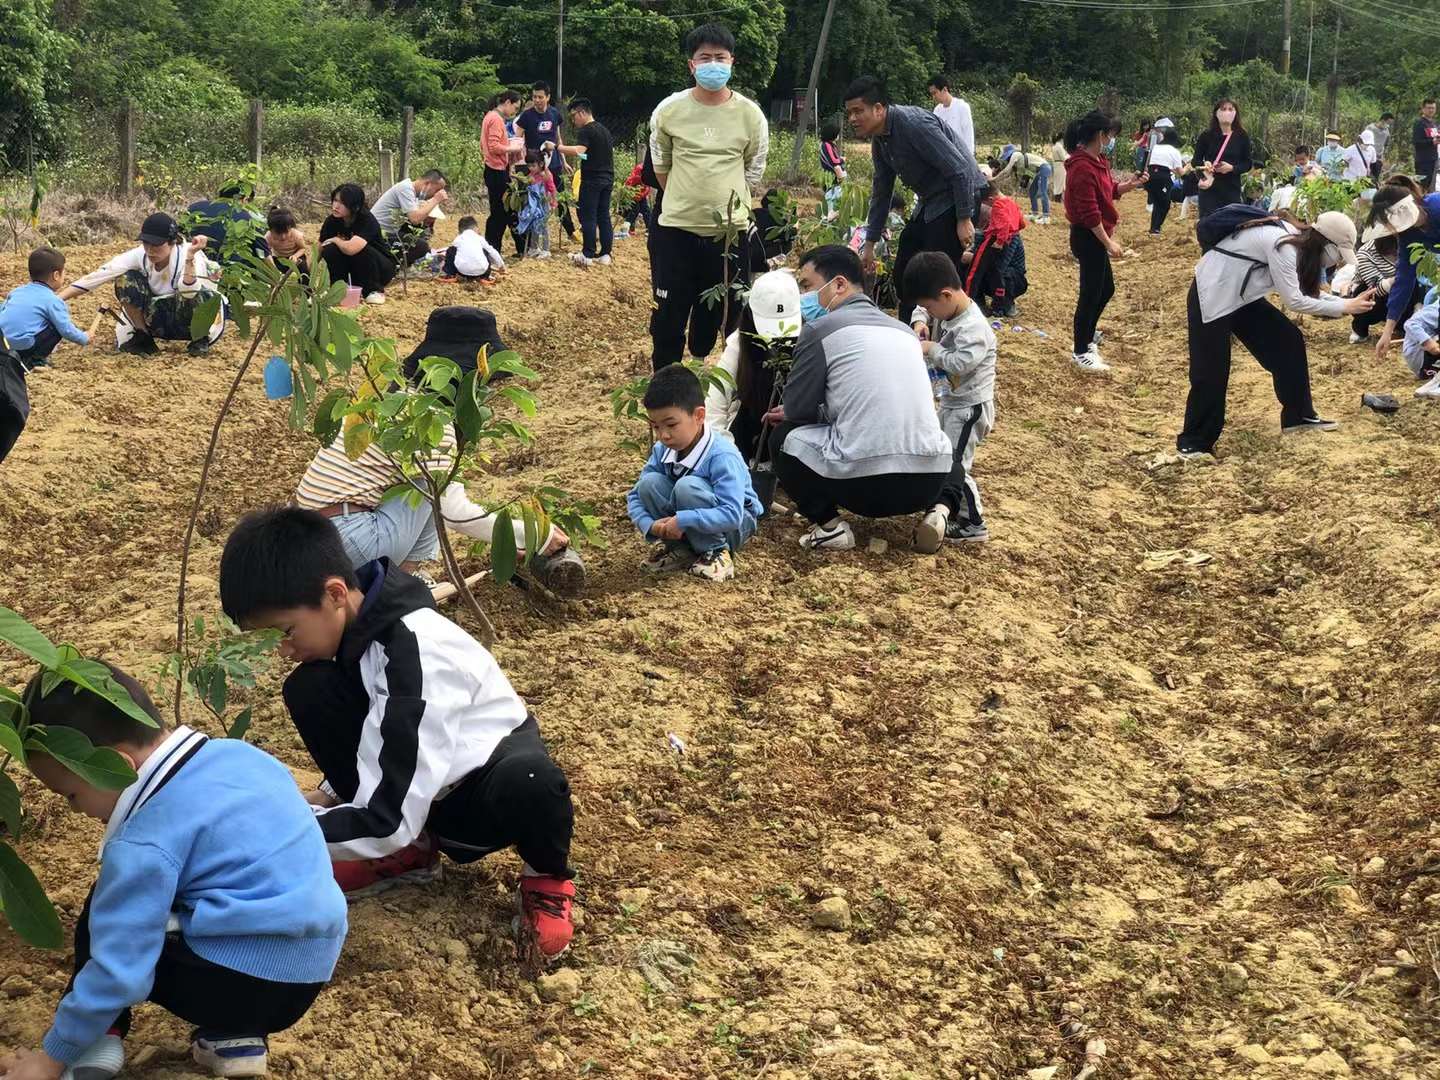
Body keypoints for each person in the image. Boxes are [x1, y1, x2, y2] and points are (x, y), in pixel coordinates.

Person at [218, 507, 578, 959]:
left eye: (285, 632)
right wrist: (332, 793)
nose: (284, 650)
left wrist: (263, 834)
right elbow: (380, 725)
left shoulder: (415, 650)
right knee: (310, 688)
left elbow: (386, 818)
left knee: (533, 780)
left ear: (333, 594)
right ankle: (411, 852)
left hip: (480, 792)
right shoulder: (361, 628)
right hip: (420, 792)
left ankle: (546, 876)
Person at [0, 665, 346, 1080]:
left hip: (231, 982)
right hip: (308, 970)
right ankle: (232, 1038)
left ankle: (94, 1038)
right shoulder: (243, 756)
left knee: (108, 914)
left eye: (72, 794)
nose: (77, 809)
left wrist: (49, 1059)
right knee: (202, 891)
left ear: (116, 764)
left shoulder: (143, 842)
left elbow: (119, 964)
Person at [761, 245, 952, 552]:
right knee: (940, 442)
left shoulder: (820, 330)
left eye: (808, 286)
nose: (805, 297)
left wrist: (806, 413)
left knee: (783, 438)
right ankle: (940, 511)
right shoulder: (904, 332)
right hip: (929, 480)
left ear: (839, 284)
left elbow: (798, 410)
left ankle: (830, 526)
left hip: (864, 487)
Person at [293, 416, 583, 597]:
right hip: (355, 543)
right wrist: (535, 535)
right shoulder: (433, 421)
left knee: (415, 479)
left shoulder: (384, 403)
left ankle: (399, 579)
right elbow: (454, 514)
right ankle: (403, 580)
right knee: (431, 484)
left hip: (313, 544)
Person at [1176, 211, 1371, 457]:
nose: (1336, 261)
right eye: (1338, 254)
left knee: (1287, 341)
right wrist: (1345, 307)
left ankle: (1298, 416)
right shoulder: (1283, 246)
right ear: (1327, 245)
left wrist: (1347, 302)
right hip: (1212, 295)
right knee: (1211, 370)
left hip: (1241, 296)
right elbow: (1295, 301)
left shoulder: (1293, 243)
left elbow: (1303, 291)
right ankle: (1193, 442)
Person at [647, 23, 769, 369]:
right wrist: (690, 200)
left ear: (732, 63)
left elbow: (753, 168)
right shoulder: (669, 111)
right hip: (675, 232)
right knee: (669, 318)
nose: (713, 64)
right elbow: (661, 165)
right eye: (705, 57)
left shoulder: (751, 115)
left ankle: (714, 375)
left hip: (728, 234)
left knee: (723, 315)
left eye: (720, 57)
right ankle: (667, 385)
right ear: (691, 64)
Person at [845, 75, 984, 326]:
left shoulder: (914, 124)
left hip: (958, 194)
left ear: (878, 109)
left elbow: (960, 170)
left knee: (937, 273)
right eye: (849, 113)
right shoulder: (881, 139)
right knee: (904, 272)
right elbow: (882, 191)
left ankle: (951, 335)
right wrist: (869, 244)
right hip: (930, 200)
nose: (852, 119)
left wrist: (963, 219)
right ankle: (909, 335)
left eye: (858, 111)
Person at [626, 364, 763, 582]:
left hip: (734, 525)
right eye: (656, 427)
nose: (664, 435)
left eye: (671, 425)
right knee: (649, 484)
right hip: (692, 519)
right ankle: (682, 549)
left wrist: (683, 519)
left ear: (699, 416)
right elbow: (634, 495)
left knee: (686, 487)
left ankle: (717, 552)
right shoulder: (663, 450)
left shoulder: (721, 455)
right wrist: (649, 525)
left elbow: (732, 514)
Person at [905, 252, 996, 545]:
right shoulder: (949, 308)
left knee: (957, 465)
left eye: (929, 307)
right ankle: (949, 506)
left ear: (945, 295)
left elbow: (960, 364)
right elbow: (925, 312)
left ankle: (973, 523)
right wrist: (920, 321)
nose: (928, 312)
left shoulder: (973, 328)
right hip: (952, 401)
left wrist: (932, 349)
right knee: (944, 455)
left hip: (969, 408)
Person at [59, 212, 223, 355]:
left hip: (194, 319)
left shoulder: (189, 255)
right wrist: (56, 299)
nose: (150, 250)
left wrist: (190, 259)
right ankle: (143, 336)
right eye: (146, 244)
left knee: (199, 293)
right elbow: (100, 275)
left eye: (157, 245)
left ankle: (200, 339)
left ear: (173, 242)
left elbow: (190, 292)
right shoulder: (141, 256)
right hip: (160, 315)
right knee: (125, 279)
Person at [1064, 110, 1141, 373]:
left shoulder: (1098, 161)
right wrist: (1108, 243)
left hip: (1096, 236)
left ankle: (1087, 336)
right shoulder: (1081, 167)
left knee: (1105, 289)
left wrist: (1129, 185)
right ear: (1100, 135)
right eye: (1110, 134)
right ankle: (1080, 350)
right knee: (1089, 295)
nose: (1111, 138)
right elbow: (1089, 213)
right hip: (1088, 237)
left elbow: (1107, 191)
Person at [0, 248, 91, 465]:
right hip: (23, 349)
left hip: (2, 344)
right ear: (56, 275)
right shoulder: (53, 301)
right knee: (54, 326)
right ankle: (35, 359)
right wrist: (86, 338)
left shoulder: (17, 291)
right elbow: (67, 330)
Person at [705, 268, 801, 460]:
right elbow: (715, 404)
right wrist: (726, 455)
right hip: (749, 434)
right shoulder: (738, 344)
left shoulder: (811, 339)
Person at [1367, 185, 1440, 362]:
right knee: (1432, 301)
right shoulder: (1409, 235)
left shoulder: (1437, 206)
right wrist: (1387, 332)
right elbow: (1403, 280)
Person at [556, 97, 615, 268]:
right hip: (607, 178)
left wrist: (557, 147)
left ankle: (587, 253)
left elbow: (579, 151)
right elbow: (587, 154)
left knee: (588, 216)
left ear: (582, 113)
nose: (573, 121)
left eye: (574, 116)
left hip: (592, 180)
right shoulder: (604, 130)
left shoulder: (587, 130)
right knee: (604, 216)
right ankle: (605, 254)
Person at [316, 183, 396, 304]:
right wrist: (305, 273)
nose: (336, 206)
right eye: (335, 200)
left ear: (356, 207)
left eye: (342, 203)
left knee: (361, 249)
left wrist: (336, 239)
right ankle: (339, 289)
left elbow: (351, 249)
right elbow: (319, 249)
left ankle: (373, 291)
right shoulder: (332, 221)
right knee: (329, 249)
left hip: (379, 269)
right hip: (355, 269)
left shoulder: (367, 220)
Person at [517, 82, 576, 242]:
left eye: (540, 97)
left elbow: (558, 138)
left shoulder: (554, 114)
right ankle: (528, 238)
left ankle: (571, 232)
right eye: (534, 97)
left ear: (548, 97)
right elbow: (517, 139)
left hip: (553, 164)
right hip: (533, 167)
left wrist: (564, 161)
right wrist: (520, 162)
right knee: (531, 200)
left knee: (560, 197)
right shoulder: (526, 116)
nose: (537, 100)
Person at [960, 185, 1027, 317]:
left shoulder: (998, 207)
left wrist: (999, 241)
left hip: (1011, 273)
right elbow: (1021, 223)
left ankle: (973, 302)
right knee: (989, 272)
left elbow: (1000, 263)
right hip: (1001, 240)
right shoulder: (1011, 204)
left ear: (990, 200)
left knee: (977, 271)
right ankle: (991, 305)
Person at [370, 171, 449, 267]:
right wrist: (436, 200)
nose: (434, 194)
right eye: (436, 190)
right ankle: (393, 266)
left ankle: (399, 264)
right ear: (428, 184)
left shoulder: (413, 194)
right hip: (377, 235)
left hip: (388, 232)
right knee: (421, 246)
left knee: (417, 235)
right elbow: (415, 219)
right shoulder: (405, 188)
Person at [1193, 98, 1254, 218]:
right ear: (1216, 113)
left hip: (1231, 189)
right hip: (1210, 187)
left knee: (1230, 223)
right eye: (1223, 109)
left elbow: (1247, 163)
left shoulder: (1242, 136)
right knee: (1208, 223)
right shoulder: (1206, 135)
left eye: (1230, 109)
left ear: (1236, 113)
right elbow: (1196, 161)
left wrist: (1232, 168)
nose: (1227, 112)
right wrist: (1206, 164)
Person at [482, 90, 525, 254]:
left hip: (496, 170)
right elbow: (493, 147)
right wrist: (511, 148)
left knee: (503, 211)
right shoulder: (495, 119)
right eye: (515, 107)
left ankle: (498, 249)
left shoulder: (490, 117)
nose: (515, 112)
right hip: (496, 171)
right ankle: (493, 250)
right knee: (503, 212)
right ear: (507, 102)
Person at [185, 181, 268, 265]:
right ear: (245, 199)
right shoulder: (247, 218)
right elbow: (263, 254)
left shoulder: (194, 208)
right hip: (228, 271)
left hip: (191, 265)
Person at [1347, 232, 1398, 345]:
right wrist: (1400, 278)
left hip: (1399, 291)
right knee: (1368, 293)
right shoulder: (1366, 254)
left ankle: (1402, 327)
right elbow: (1377, 288)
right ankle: (1360, 327)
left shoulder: (1408, 245)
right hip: (1376, 292)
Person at [440, 215, 506, 284]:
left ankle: (451, 275)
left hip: (462, 271)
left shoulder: (459, 238)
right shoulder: (480, 238)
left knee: (451, 250)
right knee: (486, 250)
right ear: (475, 228)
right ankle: (485, 277)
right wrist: (501, 266)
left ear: (460, 231)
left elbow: (452, 252)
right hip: (481, 271)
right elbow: (493, 252)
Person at [517, 149, 557, 259]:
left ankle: (546, 249)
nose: (531, 168)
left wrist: (554, 202)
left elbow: (552, 189)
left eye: (533, 166)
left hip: (544, 203)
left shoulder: (546, 175)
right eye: (529, 166)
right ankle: (534, 248)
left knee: (543, 226)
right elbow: (526, 181)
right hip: (534, 205)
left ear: (541, 164)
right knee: (533, 225)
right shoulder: (531, 175)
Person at [1145, 128, 1185, 235]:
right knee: (1165, 204)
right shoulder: (1174, 151)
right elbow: (1181, 172)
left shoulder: (1156, 147)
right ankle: (1156, 228)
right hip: (1162, 179)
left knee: (1158, 203)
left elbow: (1157, 163)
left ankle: (1154, 228)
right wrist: (1189, 168)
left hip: (1150, 176)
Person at [1401, 292, 1440, 397]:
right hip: (1421, 358)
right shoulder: (1435, 311)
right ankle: (1435, 386)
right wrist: (1427, 342)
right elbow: (1410, 324)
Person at [927, 75, 975, 157]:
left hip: (961, 155)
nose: (933, 97)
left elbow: (968, 135)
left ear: (945, 89)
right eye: (931, 94)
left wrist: (970, 157)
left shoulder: (962, 107)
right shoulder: (937, 111)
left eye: (935, 93)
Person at [263, 207, 308, 277]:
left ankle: (306, 286)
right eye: (278, 233)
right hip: (278, 258)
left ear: (291, 228)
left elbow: (303, 248)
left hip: (294, 257)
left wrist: (295, 256)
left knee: (303, 268)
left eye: (286, 232)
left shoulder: (296, 235)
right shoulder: (268, 237)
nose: (283, 237)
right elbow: (266, 251)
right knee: (271, 271)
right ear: (270, 230)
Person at [614, 162, 652, 239]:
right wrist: (633, 196)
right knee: (634, 210)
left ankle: (650, 229)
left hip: (641, 194)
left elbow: (648, 187)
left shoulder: (648, 173)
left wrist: (642, 195)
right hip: (633, 194)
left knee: (646, 210)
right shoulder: (637, 174)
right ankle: (628, 229)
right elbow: (628, 185)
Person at [819, 119, 847, 217]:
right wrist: (842, 160)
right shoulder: (826, 145)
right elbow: (833, 162)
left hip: (833, 179)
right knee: (832, 205)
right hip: (832, 180)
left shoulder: (830, 145)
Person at [1413, 99, 1440, 192]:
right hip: (1423, 161)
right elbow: (1416, 142)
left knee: (1430, 186)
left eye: (1433, 108)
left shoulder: (1433, 124)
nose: (1431, 110)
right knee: (1421, 186)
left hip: (1434, 159)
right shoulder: (1419, 123)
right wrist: (1432, 142)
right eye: (1429, 108)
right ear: (1423, 109)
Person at [1027, 147, 1053, 223]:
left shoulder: (1021, 158)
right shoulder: (1024, 159)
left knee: (1042, 191)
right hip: (1039, 170)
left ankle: (1046, 217)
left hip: (1044, 168)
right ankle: (1035, 213)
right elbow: (1030, 172)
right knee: (1032, 190)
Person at [1365, 113, 1394, 177]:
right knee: (1365, 178)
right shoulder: (1370, 128)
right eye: (1388, 123)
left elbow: (1386, 144)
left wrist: (1383, 156)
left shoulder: (1386, 132)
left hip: (1378, 159)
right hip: (1367, 157)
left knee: (1375, 179)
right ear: (1383, 121)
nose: (1389, 125)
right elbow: (1362, 140)